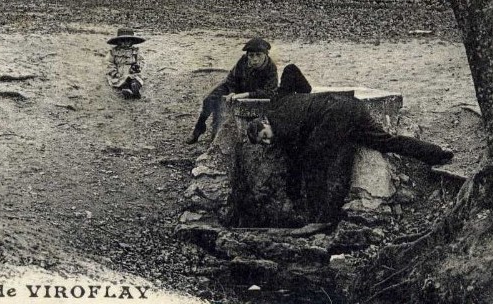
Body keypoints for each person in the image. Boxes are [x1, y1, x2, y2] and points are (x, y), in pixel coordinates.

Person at [246, 82, 453, 222]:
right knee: (386, 142)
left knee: (313, 161)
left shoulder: (284, 133)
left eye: (265, 136)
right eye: (263, 143)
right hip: (350, 106)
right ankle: (437, 154)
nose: (268, 142)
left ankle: (323, 219)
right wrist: (306, 97)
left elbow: (296, 164)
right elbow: (292, 71)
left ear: (265, 122)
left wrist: (292, 195)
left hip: (332, 117)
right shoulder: (278, 101)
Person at [186, 37, 278, 144]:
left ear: (265, 55)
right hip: (236, 87)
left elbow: (270, 92)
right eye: (251, 55)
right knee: (209, 99)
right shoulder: (243, 61)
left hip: (254, 92)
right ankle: (199, 127)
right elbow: (231, 78)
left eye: (258, 55)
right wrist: (232, 91)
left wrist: (247, 95)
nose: (255, 59)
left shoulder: (271, 68)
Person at [106, 28, 146, 100]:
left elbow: (141, 60)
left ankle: (135, 89)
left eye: (128, 40)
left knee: (135, 79)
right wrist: (114, 72)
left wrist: (137, 66)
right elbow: (109, 63)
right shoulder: (113, 51)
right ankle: (126, 90)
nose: (126, 42)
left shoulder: (136, 51)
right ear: (118, 41)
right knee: (122, 81)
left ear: (132, 41)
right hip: (119, 72)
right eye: (123, 40)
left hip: (132, 71)